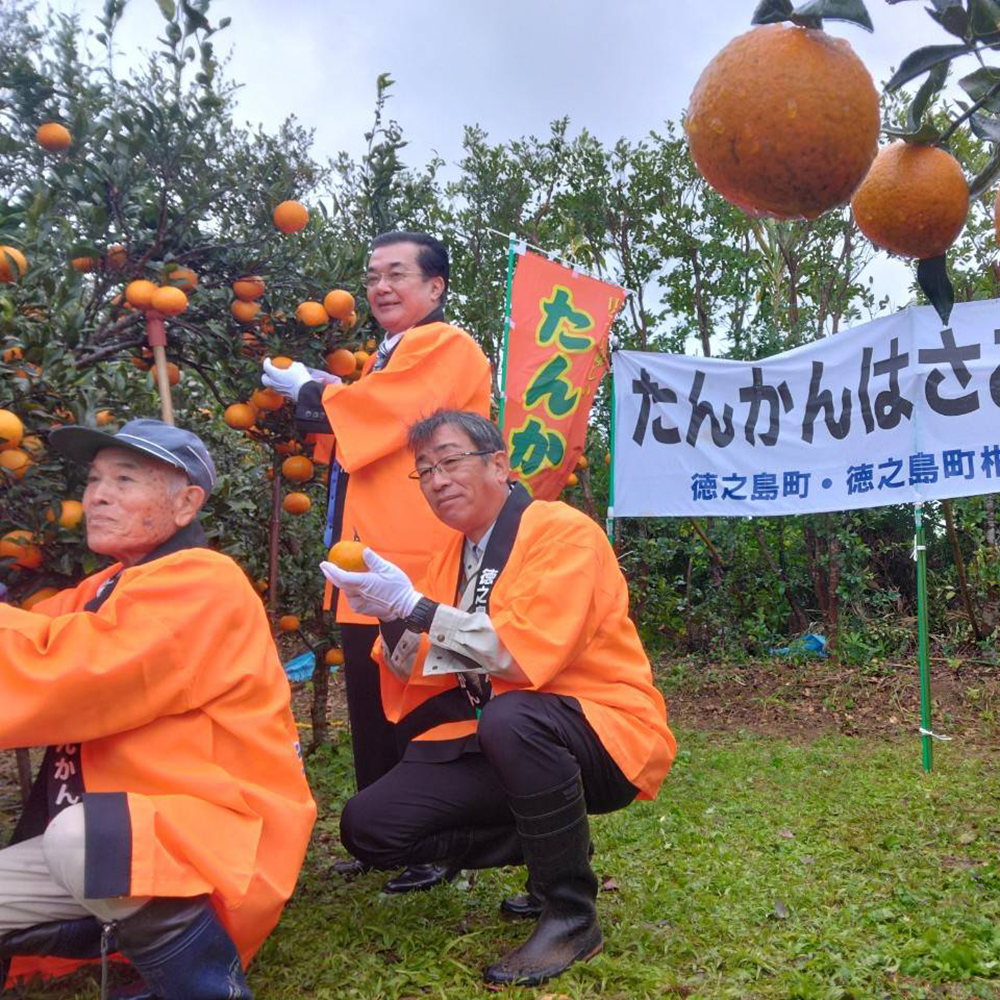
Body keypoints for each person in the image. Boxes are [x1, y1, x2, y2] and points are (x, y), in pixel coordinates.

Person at [321, 410, 676, 987]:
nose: (437, 480)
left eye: (451, 460)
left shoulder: (563, 531)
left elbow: (522, 653)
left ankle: (569, 912)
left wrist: (416, 608)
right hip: (501, 737)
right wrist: (389, 615)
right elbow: (422, 665)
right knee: (370, 827)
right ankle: (551, 841)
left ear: (499, 465)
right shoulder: (448, 557)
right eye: (425, 470)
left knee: (514, 717)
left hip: (601, 730)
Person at [0, 419, 316, 999]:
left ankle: (205, 986)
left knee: (85, 837)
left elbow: (64, 673)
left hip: (213, 836)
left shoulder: (203, 581)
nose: (97, 495)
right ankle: (104, 930)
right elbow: (32, 643)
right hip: (119, 833)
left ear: (186, 503)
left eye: (125, 480)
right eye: (94, 480)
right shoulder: (109, 586)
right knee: (63, 852)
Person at [261, 231, 492, 893]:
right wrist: (330, 391)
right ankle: (385, 837)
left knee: (421, 696)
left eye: (397, 274)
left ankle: (435, 842)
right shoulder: (387, 357)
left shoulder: (445, 345)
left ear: (435, 287)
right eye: (372, 277)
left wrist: (315, 391)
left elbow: (392, 413)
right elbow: (369, 415)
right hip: (371, 552)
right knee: (371, 703)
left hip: (417, 554)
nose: (381, 288)